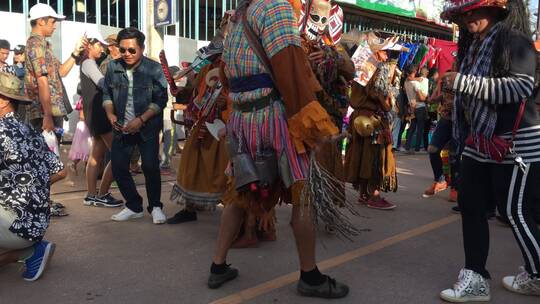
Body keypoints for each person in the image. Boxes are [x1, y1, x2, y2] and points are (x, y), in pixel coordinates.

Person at [208, 0, 351, 298]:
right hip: (272, 117)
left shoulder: (241, 12)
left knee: (240, 191)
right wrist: (311, 122)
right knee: (302, 195)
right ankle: (310, 277)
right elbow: (290, 67)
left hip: (243, 119)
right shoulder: (276, 8)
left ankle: (217, 266)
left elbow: (225, 73)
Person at [439, 0, 540, 301]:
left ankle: (538, 275)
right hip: (480, 138)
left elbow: (521, 87)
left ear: (494, 9)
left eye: (475, 10)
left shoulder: (513, 39)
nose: (469, 17)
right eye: (464, 12)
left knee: (516, 213)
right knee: (470, 205)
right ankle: (476, 279)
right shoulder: (473, 46)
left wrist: (464, 83)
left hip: (517, 141)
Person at [0, 71, 67, 281]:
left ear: (2, 101)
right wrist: (30, 188)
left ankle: (27, 253)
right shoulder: (27, 128)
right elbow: (60, 171)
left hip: (15, 227)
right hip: (36, 223)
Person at [167, 15, 232, 225]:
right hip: (204, 121)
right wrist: (181, 90)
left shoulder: (244, 58)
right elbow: (196, 88)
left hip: (230, 124)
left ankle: (245, 220)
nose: (227, 30)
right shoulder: (207, 59)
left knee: (231, 173)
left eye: (232, 26)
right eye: (225, 26)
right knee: (191, 164)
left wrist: (229, 100)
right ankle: (190, 207)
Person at [103, 27, 168, 224]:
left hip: (147, 126)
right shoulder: (113, 68)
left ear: (142, 48)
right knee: (119, 166)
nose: (127, 54)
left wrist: (140, 120)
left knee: (149, 166)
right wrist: (110, 114)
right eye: (122, 50)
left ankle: (155, 206)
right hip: (121, 126)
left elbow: (161, 99)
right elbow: (107, 93)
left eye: (132, 50)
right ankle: (133, 205)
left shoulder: (154, 69)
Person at [344, 34, 399, 210]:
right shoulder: (377, 68)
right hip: (372, 119)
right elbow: (380, 98)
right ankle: (373, 195)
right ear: (378, 51)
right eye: (385, 51)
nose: (387, 56)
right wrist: (387, 103)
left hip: (359, 116)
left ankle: (363, 194)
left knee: (361, 154)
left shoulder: (360, 66)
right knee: (375, 156)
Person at [23, 3, 86, 131]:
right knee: (46, 149)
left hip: (52, 111)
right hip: (44, 113)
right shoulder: (35, 44)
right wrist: (47, 114)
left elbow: (61, 72)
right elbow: (42, 80)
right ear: (41, 21)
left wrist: (75, 52)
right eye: (52, 22)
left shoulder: (44, 45)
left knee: (51, 149)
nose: (55, 26)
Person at [80, 29, 123, 208]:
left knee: (96, 156)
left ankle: (91, 195)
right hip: (100, 113)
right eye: (98, 44)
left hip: (94, 114)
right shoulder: (89, 62)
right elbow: (101, 83)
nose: (102, 49)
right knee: (120, 153)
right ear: (89, 44)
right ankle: (103, 193)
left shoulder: (88, 62)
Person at [422, 73, 458, 201]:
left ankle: (455, 186)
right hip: (445, 119)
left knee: (455, 155)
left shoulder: (469, 75)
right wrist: (435, 98)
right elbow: (444, 96)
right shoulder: (447, 77)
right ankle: (440, 180)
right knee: (432, 149)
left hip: (460, 121)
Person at [404, 65, 428, 154]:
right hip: (420, 107)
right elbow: (422, 98)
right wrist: (425, 96)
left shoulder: (406, 83)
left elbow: (408, 81)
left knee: (412, 128)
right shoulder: (415, 83)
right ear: (414, 72)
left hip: (411, 107)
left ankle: (407, 147)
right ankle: (417, 148)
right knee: (420, 128)